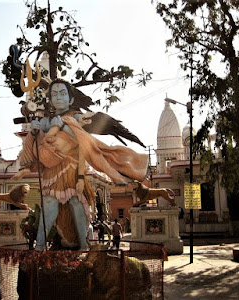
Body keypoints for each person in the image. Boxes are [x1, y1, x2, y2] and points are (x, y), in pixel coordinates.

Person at [17, 78, 149, 250]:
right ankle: (40, 247)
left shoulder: (75, 117)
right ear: (49, 98)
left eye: (63, 94)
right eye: (54, 94)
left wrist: (80, 177)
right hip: (51, 172)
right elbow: (37, 147)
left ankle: (83, 245)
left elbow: (82, 147)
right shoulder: (45, 121)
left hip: (72, 171)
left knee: (75, 204)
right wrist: (35, 131)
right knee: (49, 206)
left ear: (71, 100)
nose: (58, 98)